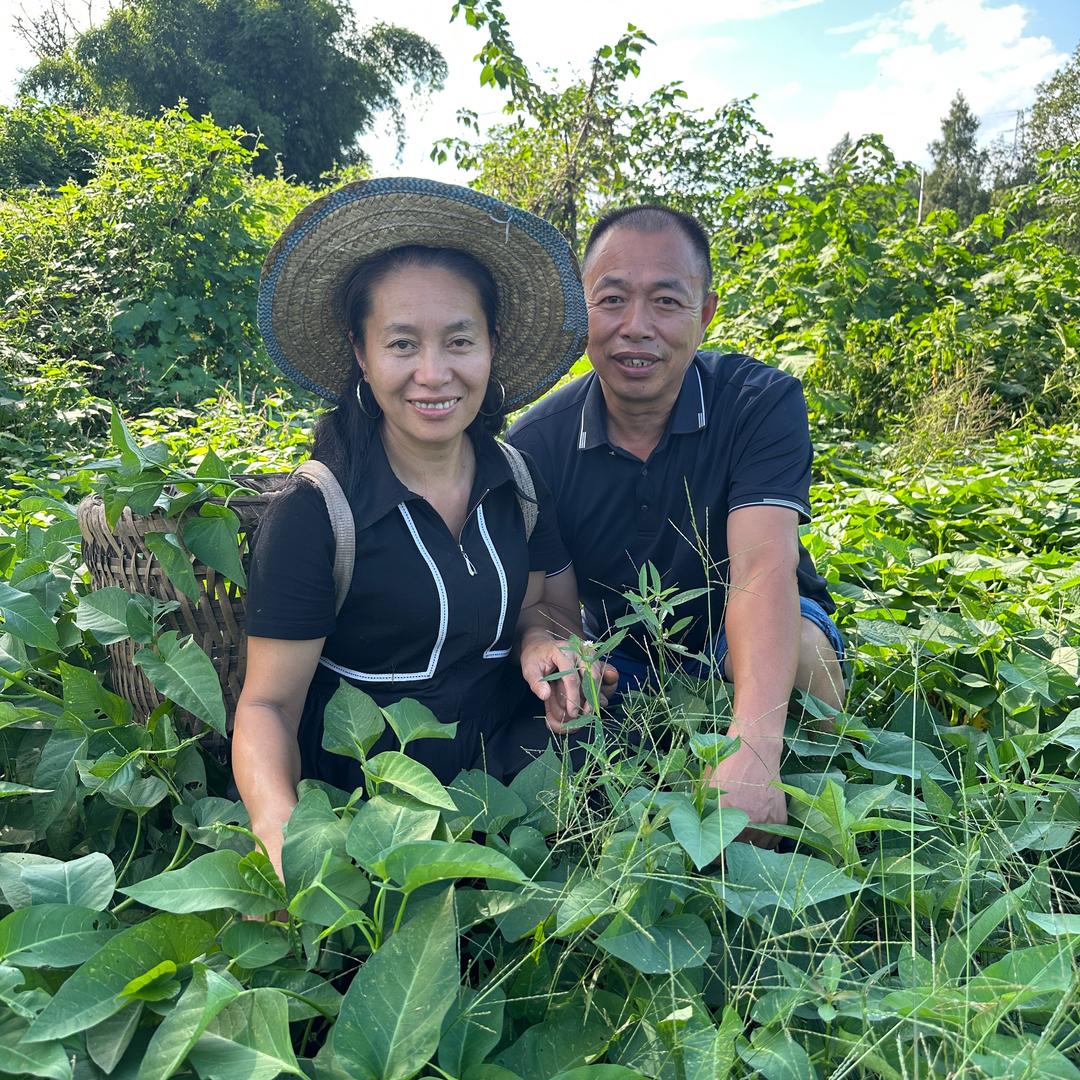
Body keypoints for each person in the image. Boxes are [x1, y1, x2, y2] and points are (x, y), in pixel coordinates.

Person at [233, 178, 595, 877]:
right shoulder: (317, 511)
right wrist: (283, 834)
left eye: (459, 340)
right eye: (402, 344)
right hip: (369, 810)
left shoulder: (518, 481)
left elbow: (548, 610)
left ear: (491, 345)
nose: (434, 374)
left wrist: (542, 646)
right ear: (361, 354)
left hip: (505, 787)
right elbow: (268, 706)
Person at [508, 205, 846, 844]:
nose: (636, 327)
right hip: (622, 652)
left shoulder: (758, 403)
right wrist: (564, 652)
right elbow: (546, 603)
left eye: (666, 301)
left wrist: (755, 746)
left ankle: (823, 782)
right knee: (550, 730)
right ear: (582, 311)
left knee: (806, 656)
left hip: (748, 633)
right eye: (612, 299)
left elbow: (761, 569)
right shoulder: (536, 443)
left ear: (706, 312)